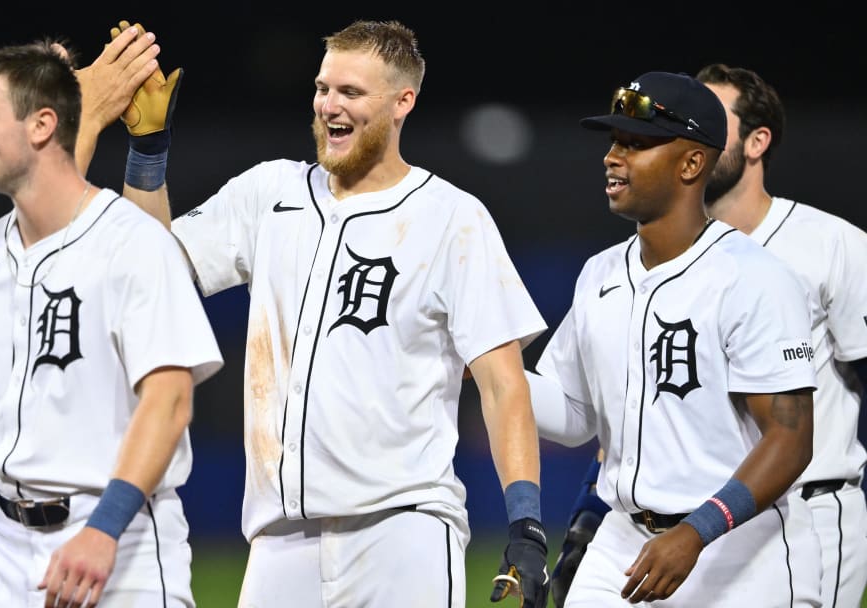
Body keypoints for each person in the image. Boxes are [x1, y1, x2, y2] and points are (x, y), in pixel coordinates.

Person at [109, 18, 550, 607]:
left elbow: (502, 385)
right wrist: (147, 152)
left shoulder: (451, 217)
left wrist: (526, 524)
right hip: (277, 537)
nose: (328, 105)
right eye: (322, 88)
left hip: (403, 529)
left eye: (350, 92)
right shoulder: (270, 194)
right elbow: (148, 275)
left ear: (402, 102)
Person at [0, 32, 222, 608]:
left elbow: (169, 401)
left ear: (42, 126)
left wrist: (104, 529)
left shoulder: (133, 243)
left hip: (119, 539)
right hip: (1, 543)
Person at [547, 63, 867, 608]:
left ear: (694, 161)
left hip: (747, 538)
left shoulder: (760, 273)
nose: (612, 156)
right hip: (628, 536)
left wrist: (697, 531)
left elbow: (791, 439)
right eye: (615, 140)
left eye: (637, 142)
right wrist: (488, 362)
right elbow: (573, 414)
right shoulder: (600, 273)